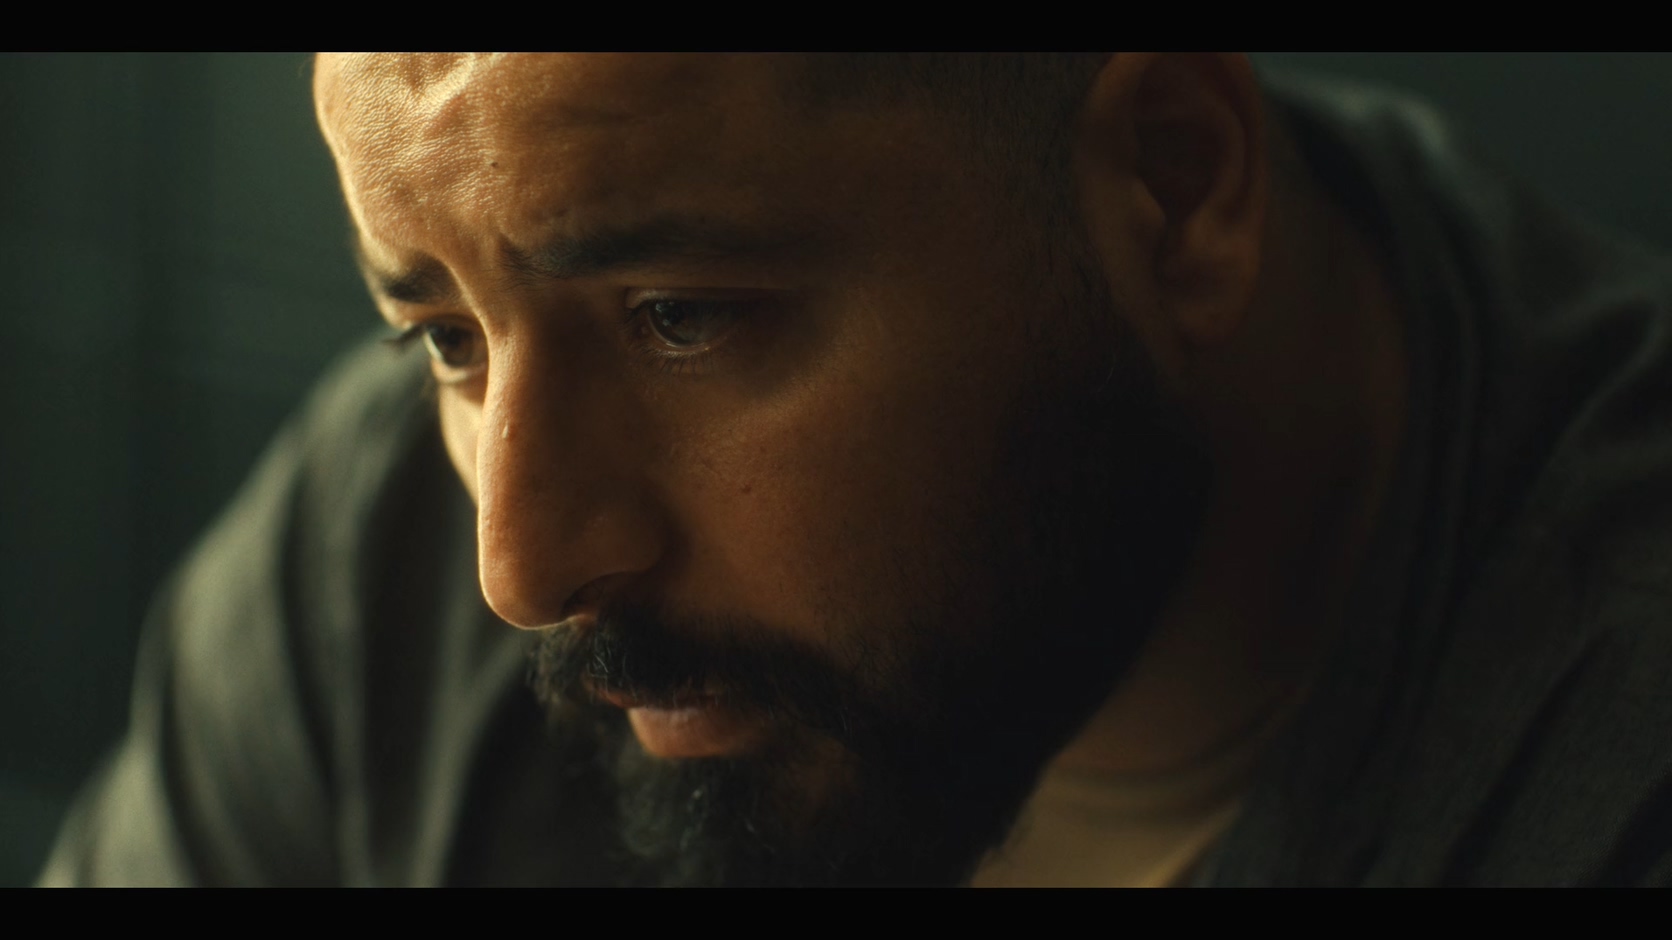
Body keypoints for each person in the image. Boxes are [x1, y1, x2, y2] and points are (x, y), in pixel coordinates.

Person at [39, 53, 1672, 887]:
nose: (520, 568)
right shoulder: (373, 571)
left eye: (680, 316)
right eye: (446, 338)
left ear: (1172, 187)